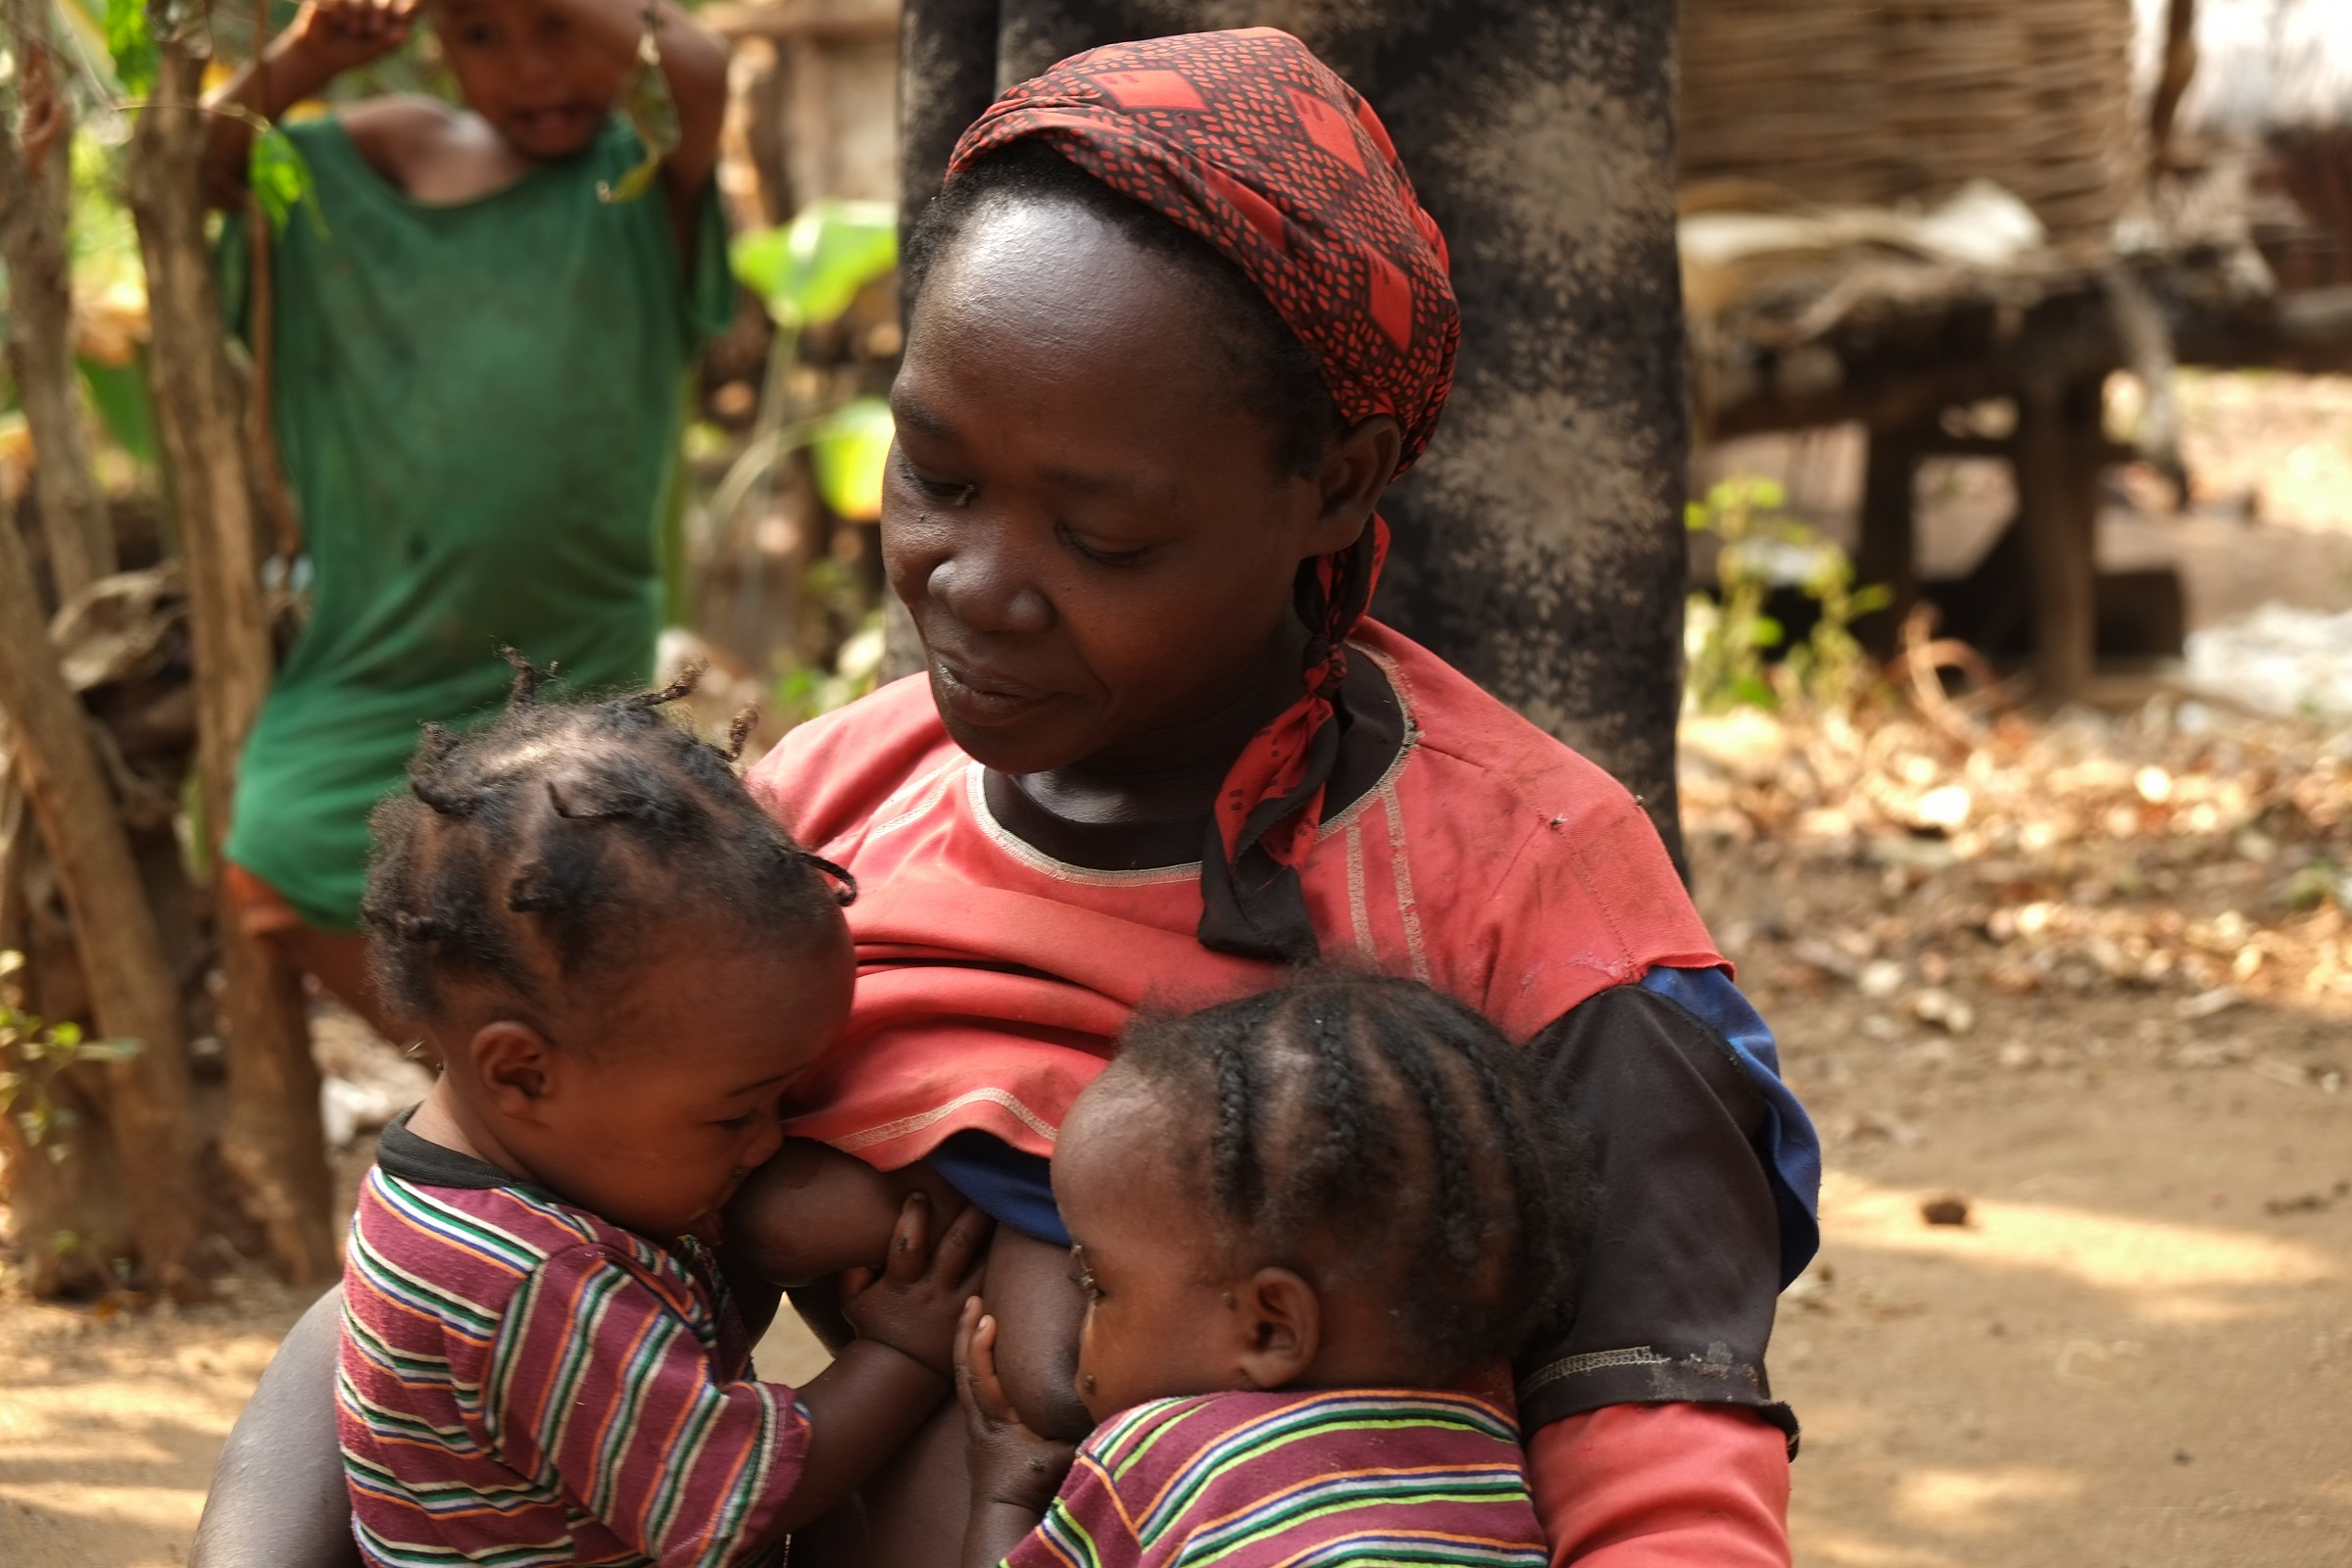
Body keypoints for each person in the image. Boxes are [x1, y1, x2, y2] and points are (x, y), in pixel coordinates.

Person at [192, 29, 1819, 1568]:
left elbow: (1654, 1434)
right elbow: (460, 1269)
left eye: (1101, 539)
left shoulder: (1526, 882)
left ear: (1337, 485)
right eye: (937, 480)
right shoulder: (816, 819)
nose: (972, 584)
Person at [336, 660, 995, 1566]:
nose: (768, 1140)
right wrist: (906, 1354)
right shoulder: (536, 1277)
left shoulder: (499, 1171)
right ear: (522, 1070)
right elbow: (743, 1499)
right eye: (735, 1115)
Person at [198, 0, 735, 1036]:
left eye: (560, 25)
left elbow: (699, 67)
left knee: (576, 894)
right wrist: (307, 54)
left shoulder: (635, 177)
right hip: (380, 650)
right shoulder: (370, 159)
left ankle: (566, 1126)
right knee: (277, 835)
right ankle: (496, 1104)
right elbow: (196, 169)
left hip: (574, 663)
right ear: (436, 41)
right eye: (483, 36)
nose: (535, 69)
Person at [954, 973, 1573, 1568]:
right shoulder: (1491, 1461)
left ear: (1270, 1328)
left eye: (1100, 1286)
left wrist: (1004, 1493)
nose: (1079, 1320)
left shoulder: (1164, 1454)